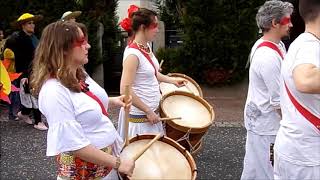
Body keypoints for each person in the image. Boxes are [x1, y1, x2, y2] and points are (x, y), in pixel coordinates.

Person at [30, 21, 135, 179]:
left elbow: (85, 103)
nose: (88, 46)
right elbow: (74, 145)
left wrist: (113, 101)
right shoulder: (53, 91)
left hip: (106, 168)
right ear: (63, 48)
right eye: (81, 42)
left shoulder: (79, 73)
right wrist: (118, 163)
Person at [241, 1, 293, 179]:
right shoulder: (267, 56)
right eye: (287, 20)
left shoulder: (275, 45)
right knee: (267, 171)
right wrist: (293, 126)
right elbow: (277, 101)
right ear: (274, 23)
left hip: (260, 120)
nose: (291, 24)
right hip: (266, 126)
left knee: (254, 167)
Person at [117, 7, 186, 140]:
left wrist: (173, 81)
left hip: (150, 114)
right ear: (143, 27)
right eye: (154, 26)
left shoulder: (146, 47)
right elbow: (125, 90)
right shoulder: (133, 55)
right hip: (140, 117)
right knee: (141, 159)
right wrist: (147, 111)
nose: (157, 30)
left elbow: (153, 74)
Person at [274, 0, 320, 179]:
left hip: (297, 149)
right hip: (307, 158)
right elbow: (305, 80)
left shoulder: (302, 43)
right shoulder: (310, 46)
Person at [5, 13, 47, 130]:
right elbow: (18, 58)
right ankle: (38, 121)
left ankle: (23, 113)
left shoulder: (33, 38)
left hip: (37, 70)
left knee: (33, 95)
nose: (32, 25)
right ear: (22, 25)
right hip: (26, 72)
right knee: (34, 95)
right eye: (29, 23)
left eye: (33, 23)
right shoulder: (17, 39)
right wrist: (23, 74)